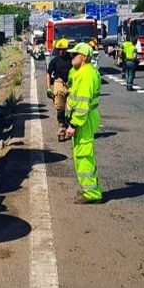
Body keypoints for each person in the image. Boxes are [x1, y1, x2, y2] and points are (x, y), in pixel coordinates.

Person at [64, 42, 102, 203]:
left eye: (75, 54)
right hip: (84, 119)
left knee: (84, 156)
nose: (71, 57)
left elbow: (82, 104)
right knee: (82, 155)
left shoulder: (87, 75)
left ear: (84, 57)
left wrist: (73, 125)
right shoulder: (83, 72)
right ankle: (89, 190)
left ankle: (92, 194)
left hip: (83, 120)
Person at [46, 38, 73, 141]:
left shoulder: (72, 60)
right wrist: (49, 88)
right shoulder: (55, 61)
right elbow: (48, 73)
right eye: (60, 49)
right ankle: (61, 131)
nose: (62, 51)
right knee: (60, 110)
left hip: (71, 85)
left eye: (64, 49)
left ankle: (71, 127)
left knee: (71, 110)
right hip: (59, 84)